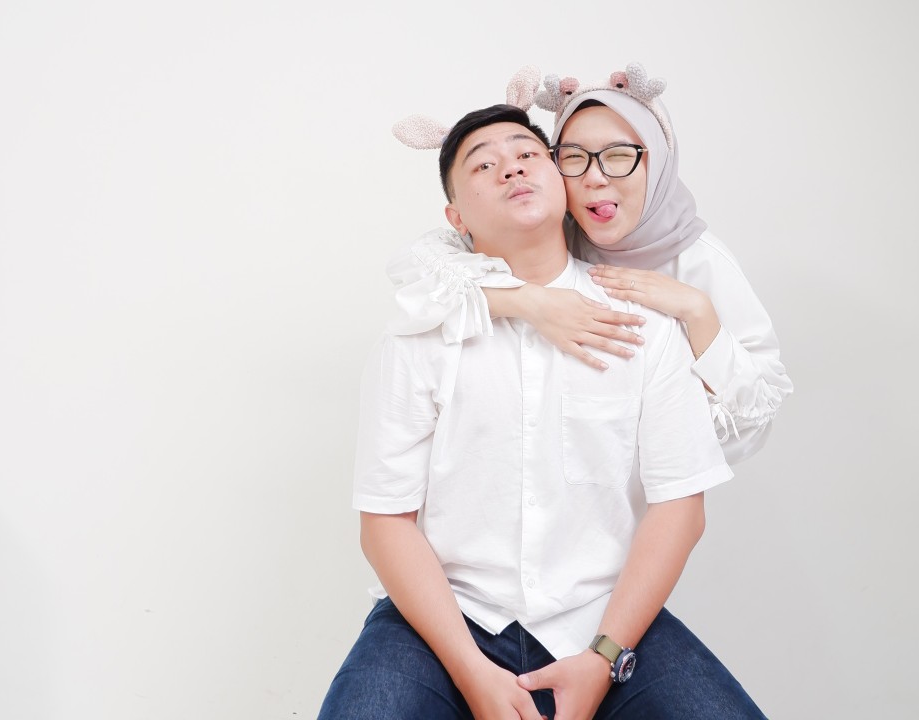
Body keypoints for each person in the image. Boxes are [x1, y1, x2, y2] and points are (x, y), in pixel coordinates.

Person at [318, 103, 764, 719]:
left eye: (528, 153)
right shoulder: (419, 338)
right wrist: (471, 673)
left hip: (602, 618)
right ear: (455, 217)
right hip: (449, 616)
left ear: (560, 180)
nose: (511, 169)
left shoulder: (646, 326)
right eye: (484, 165)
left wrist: (603, 658)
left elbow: (680, 510)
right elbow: (385, 522)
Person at [386, 63, 792, 465]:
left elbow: (754, 421)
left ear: (658, 163)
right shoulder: (554, 231)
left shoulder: (700, 258)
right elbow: (422, 276)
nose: (595, 177)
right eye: (574, 157)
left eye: (618, 156)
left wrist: (698, 312)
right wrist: (528, 302)